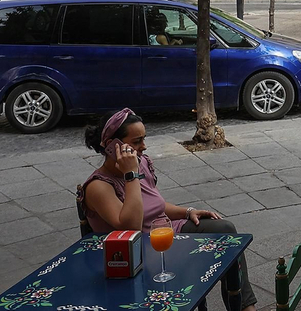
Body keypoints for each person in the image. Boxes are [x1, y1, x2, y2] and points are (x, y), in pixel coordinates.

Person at [79, 110, 255, 311]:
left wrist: (188, 212)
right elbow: (131, 227)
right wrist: (130, 175)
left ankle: (244, 307)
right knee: (197, 263)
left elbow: (156, 205)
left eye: (143, 139)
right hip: (138, 254)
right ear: (112, 146)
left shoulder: (141, 163)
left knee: (224, 230)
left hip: (166, 233)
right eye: (136, 142)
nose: (143, 147)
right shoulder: (99, 186)